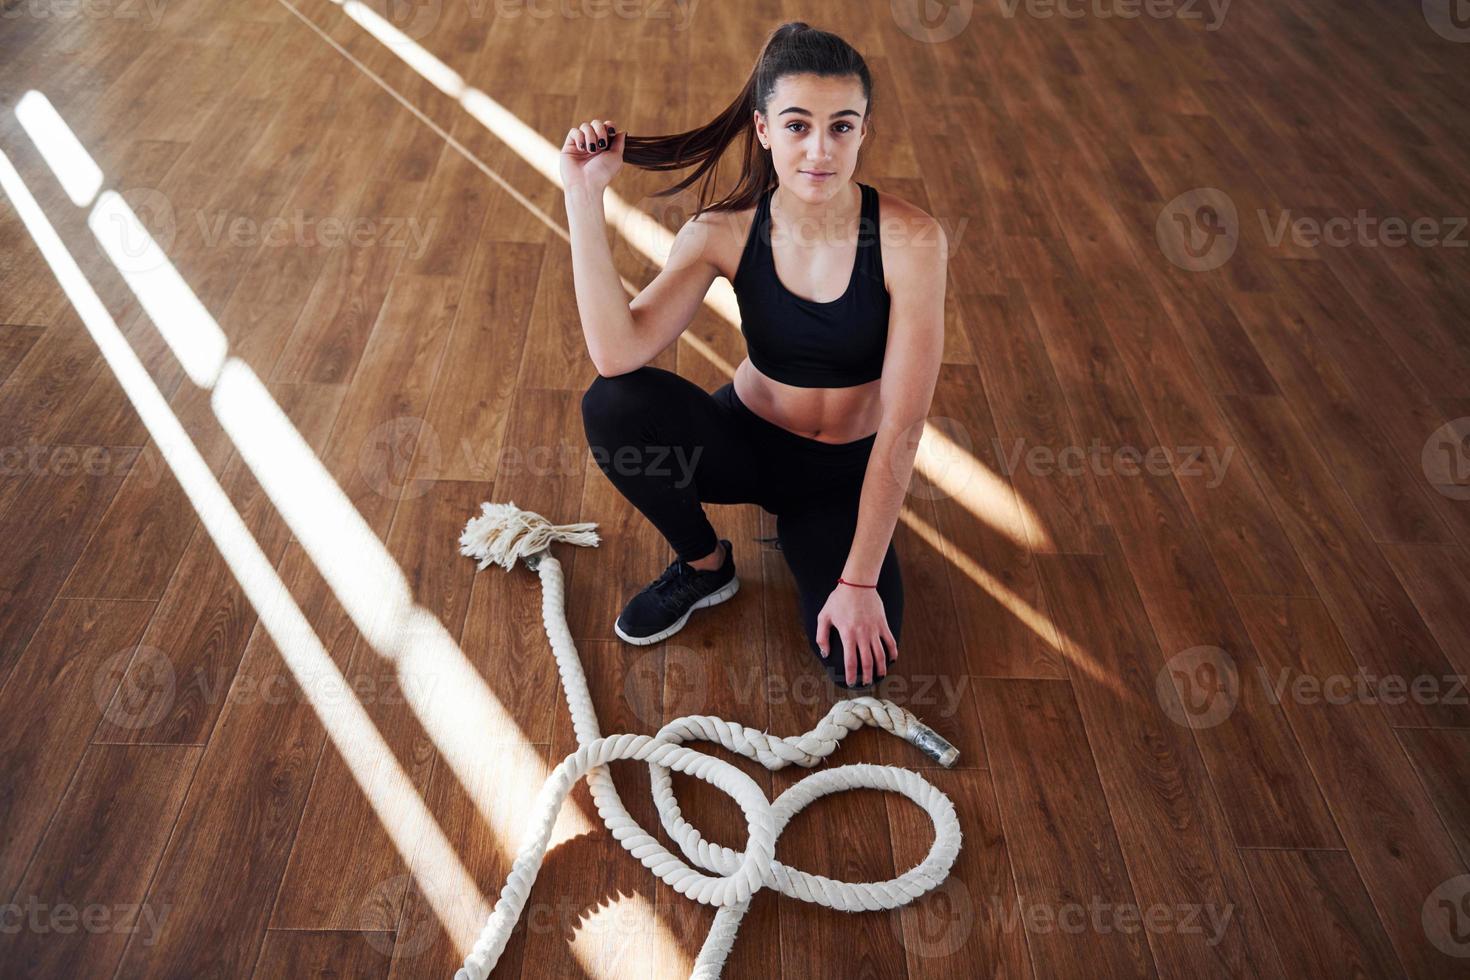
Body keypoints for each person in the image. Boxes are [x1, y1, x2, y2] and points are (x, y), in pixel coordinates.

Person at [561, 21, 947, 690]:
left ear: (864, 130)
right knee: (615, 403)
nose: (820, 151)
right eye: (797, 126)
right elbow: (616, 351)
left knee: (852, 665)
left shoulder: (911, 241)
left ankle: (828, 551)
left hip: (843, 477)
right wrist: (583, 195)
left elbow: (905, 426)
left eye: (842, 127)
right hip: (747, 443)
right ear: (764, 129)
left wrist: (858, 581)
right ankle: (705, 565)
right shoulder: (723, 231)